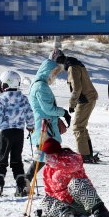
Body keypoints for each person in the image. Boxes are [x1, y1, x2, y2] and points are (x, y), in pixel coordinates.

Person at [36, 138, 109, 217]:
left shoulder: (71, 157)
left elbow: (73, 165)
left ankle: (99, 211)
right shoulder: (47, 169)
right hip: (67, 205)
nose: (49, 159)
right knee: (45, 200)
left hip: (83, 201)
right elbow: (49, 191)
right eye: (47, 156)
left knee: (75, 183)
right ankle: (67, 215)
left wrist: (53, 161)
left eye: (50, 155)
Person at [27, 50, 72, 182]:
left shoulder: (39, 84)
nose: (55, 76)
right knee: (47, 155)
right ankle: (26, 180)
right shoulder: (41, 86)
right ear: (49, 71)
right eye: (55, 73)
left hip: (45, 126)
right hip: (45, 127)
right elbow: (48, 109)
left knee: (46, 155)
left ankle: (28, 180)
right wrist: (63, 112)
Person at [53, 50, 100, 164]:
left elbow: (77, 88)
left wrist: (72, 104)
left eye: (56, 65)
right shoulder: (76, 64)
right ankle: (87, 153)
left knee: (77, 127)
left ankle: (84, 156)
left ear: (59, 62)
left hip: (85, 100)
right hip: (89, 98)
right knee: (81, 126)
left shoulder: (72, 68)